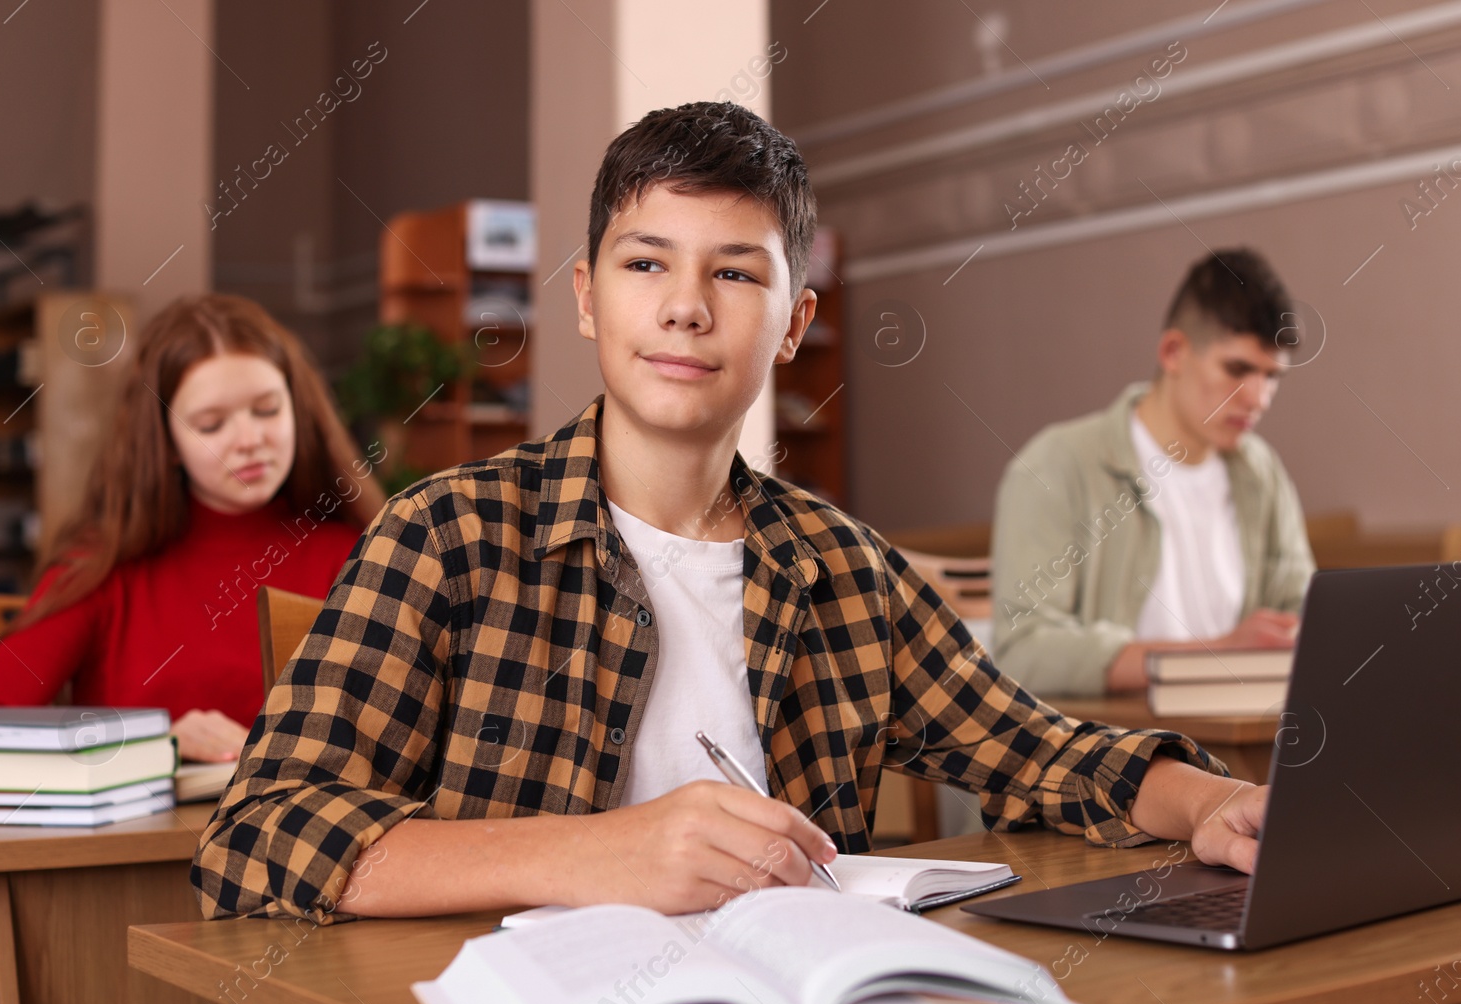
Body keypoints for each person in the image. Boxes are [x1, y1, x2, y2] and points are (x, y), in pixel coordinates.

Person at [194, 103, 1263, 927]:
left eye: (734, 272)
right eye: (645, 261)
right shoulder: (446, 536)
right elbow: (257, 832)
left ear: (794, 321)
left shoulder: (843, 566)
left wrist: (1205, 800)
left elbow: (1041, 751)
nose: (685, 305)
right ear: (584, 295)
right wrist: (593, 851)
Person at [0, 294, 387, 762]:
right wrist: (157, 745)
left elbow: (405, 744)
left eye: (267, 410)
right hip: (135, 836)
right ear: (168, 443)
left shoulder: (357, 556)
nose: (249, 440)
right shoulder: (102, 566)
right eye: (212, 423)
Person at [990, 249, 1316, 698]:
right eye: (1237, 369)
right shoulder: (1057, 464)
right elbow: (1022, 654)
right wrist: (1217, 654)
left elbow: (1302, 614)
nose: (1258, 398)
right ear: (1173, 352)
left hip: (1243, 743)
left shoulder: (1262, 473)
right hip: (1117, 752)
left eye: (1272, 376)